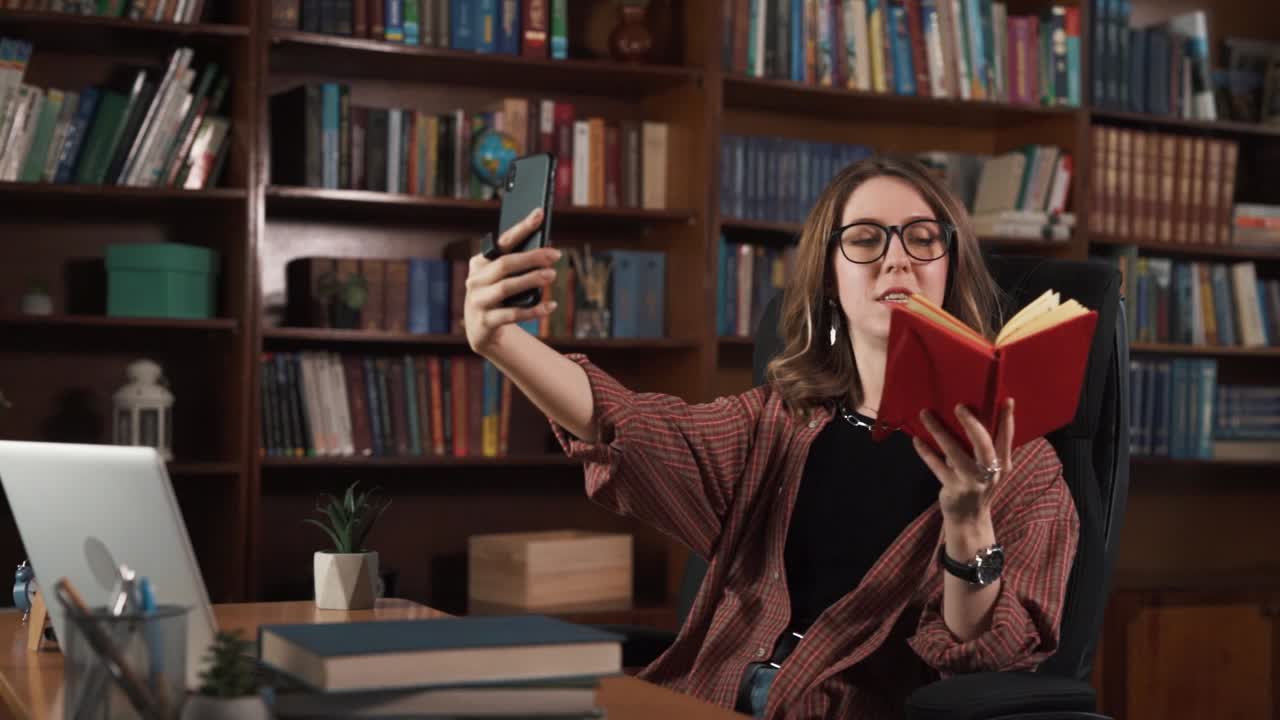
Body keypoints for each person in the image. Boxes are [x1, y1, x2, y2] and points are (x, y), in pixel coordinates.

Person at [463, 155, 1080, 719]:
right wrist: (501, 342)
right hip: (701, 698)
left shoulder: (1023, 468)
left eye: (922, 239)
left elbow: (985, 662)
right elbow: (627, 426)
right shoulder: (778, 423)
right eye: (866, 239)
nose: (897, 259)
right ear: (829, 281)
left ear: (951, 266)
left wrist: (969, 518)